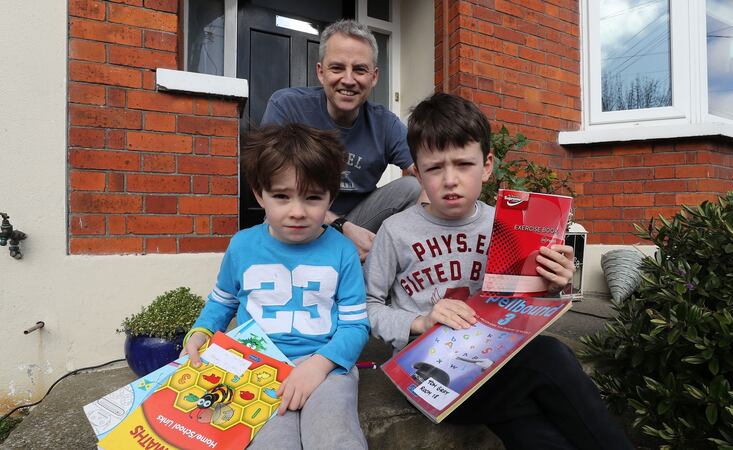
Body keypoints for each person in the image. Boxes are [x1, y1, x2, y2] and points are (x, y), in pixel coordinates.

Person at [364, 93, 633, 450]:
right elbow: (367, 305)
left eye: (463, 164)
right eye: (434, 168)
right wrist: (420, 323)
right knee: (550, 359)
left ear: (487, 165)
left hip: (495, 361)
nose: (450, 180)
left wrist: (556, 283)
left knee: (531, 424)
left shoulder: (507, 225)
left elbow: (524, 306)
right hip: (433, 376)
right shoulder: (395, 231)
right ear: (416, 171)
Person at [182, 123, 369, 450]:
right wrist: (200, 333)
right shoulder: (241, 247)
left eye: (313, 198)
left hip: (326, 367)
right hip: (254, 372)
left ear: (331, 198)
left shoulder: (342, 252)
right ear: (259, 193)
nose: (297, 212)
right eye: (282, 196)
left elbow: (355, 325)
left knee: (336, 438)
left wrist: (319, 365)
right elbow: (222, 303)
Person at [261, 19, 420, 261]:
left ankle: (384, 274)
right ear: (320, 72)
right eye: (337, 68)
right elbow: (270, 186)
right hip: (300, 216)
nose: (348, 80)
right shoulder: (288, 106)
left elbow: (427, 175)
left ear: (374, 76)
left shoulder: (385, 123)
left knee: (414, 187)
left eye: (359, 69)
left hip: (359, 218)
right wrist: (341, 226)